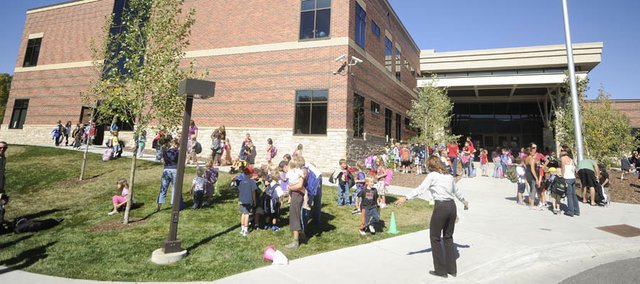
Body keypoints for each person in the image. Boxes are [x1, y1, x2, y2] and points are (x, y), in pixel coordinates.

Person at [396, 156, 469, 278]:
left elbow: (421, 189)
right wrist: (464, 201)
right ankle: (452, 270)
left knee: (435, 238)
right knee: (448, 237)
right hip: (452, 207)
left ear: (431, 166)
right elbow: (457, 191)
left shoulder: (432, 176)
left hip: (441, 207)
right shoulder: (449, 176)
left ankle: (441, 271)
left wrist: (406, 197)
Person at [156, 139, 182, 211]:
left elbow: (162, 160)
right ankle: (174, 205)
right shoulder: (177, 152)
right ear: (176, 144)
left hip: (166, 170)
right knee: (174, 188)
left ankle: (159, 206)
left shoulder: (166, 151)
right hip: (175, 170)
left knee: (163, 188)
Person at [238, 167, 258, 237]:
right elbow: (253, 193)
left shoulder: (241, 182)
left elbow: (239, 191)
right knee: (247, 215)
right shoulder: (252, 182)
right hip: (248, 201)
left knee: (243, 214)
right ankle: (246, 230)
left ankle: (242, 228)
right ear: (250, 174)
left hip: (241, 200)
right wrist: (254, 201)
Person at [560, 147, 579, 217]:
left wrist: (562, 177)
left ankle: (571, 211)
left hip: (567, 178)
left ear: (565, 151)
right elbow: (574, 169)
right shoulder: (571, 159)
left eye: (562, 150)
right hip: (572, 178)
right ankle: (577, 210)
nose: (560, 151)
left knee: (569, 195)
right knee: (574, 195)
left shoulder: (563, 158)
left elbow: (563, 168)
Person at [525, 143, 542, 210]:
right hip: (531, 175)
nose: (534, 152)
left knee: (531, 188)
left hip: (527, 174)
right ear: (530, 152)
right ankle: (532, 205)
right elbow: (533, 170)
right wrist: (536, 178)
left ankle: (530, 202)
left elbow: (527, 167)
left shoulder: (526, 158)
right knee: (533, 189)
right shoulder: (531, 159)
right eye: (532, 151)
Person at [0, 142, 8, 225]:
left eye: (5, 148)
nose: (2, 149)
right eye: (0, 148)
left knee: (2, 203)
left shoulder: (3, 158)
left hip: (1, 184)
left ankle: (1, 221)